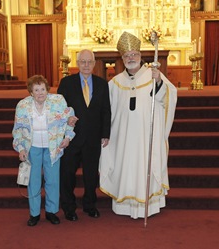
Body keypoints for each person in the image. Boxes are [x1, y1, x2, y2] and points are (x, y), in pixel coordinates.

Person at [99, 31, 178, 219]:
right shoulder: (115, 83)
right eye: (127, 55)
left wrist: (159, 82)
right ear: (122, 58)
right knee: (124, 165)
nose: (131, 58)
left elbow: (168, 97)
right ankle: (124, 205)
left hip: (145, 136)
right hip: (123, 139)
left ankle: (148, 204)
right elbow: (106, 111)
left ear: (141, 56)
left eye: (134, 54)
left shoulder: (153, 76)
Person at [12, 74, 77, 226]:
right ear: (31, 92)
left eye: (43, 89)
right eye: (36, 90)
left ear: (47, 90)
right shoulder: (22, 105)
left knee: (53, 181)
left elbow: (70, 119)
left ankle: (51, 212)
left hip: (52, 147)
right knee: (33, 181)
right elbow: (18, 130)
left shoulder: (58, 101)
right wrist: (20, 148)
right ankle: (34, 214)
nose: (40, 93)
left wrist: (67, 138)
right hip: (32, 148)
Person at [57, 49, 111, 221]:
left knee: (90, 175)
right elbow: (58, 110)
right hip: (70, 138)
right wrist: (65, 122)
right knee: (67, 174)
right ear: (78, 63)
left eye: (89, 62)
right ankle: (69, 207)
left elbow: (106, 111)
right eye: (83, 62)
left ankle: (89, 205)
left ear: (94, 64)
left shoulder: (102, 84)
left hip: (93, 138)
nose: (86, 65)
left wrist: (105, 133)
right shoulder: (66, 83)